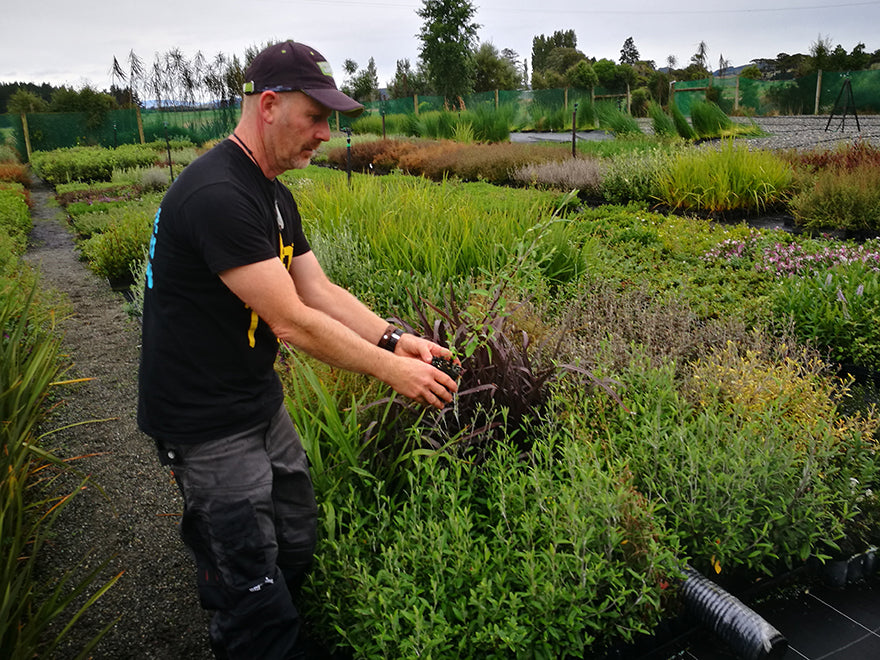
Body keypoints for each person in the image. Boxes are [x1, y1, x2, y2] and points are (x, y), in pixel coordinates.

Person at [137, 40, 459, 659]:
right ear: (268, 105)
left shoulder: (273, 194)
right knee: (250, 585)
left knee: (296, 538)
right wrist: (393, 372)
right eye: (315, 117)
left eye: (329, 120)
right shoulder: (217, 195)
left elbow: (318, 289)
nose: (325, 134)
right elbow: (293, 323)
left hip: (255, 399)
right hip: (204, 423)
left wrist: (395, 337)